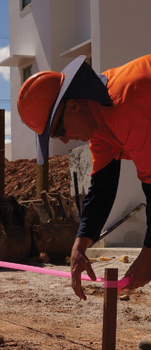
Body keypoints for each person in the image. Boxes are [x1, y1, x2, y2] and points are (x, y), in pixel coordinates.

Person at [17, 54, 151, 302]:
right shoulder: (100, 122)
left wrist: (148, 255)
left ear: (73, 105)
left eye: (59, 131)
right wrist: (80, 246)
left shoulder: (125, 104)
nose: (65, 140)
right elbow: (102, 186)